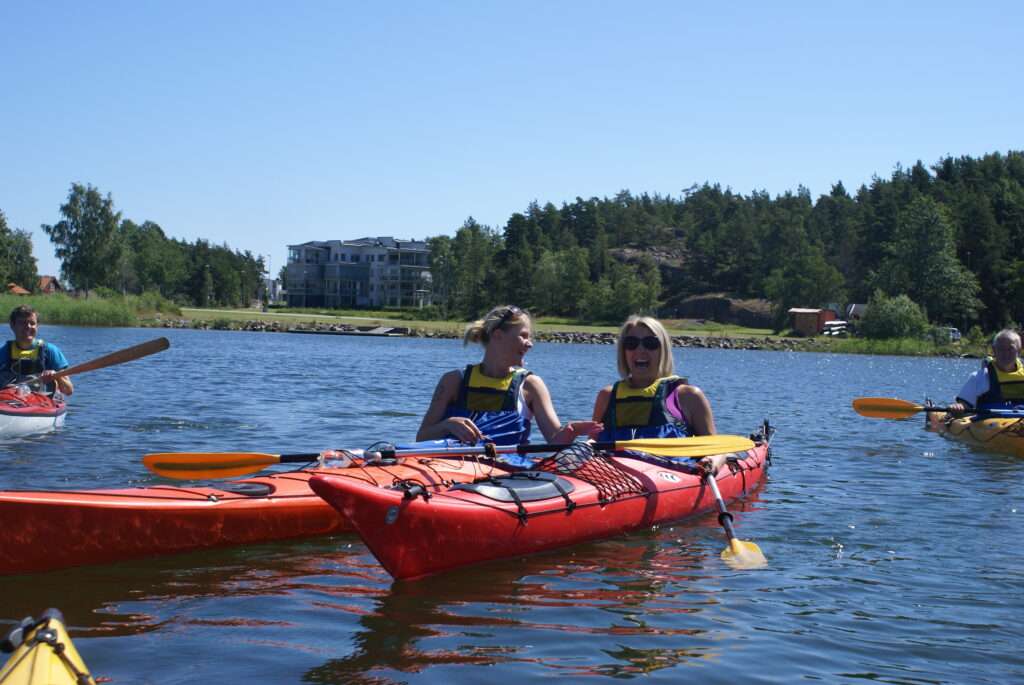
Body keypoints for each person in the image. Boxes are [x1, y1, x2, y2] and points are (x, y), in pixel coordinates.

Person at [417, 305, 599, 448]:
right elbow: (422, 437)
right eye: (523, 336)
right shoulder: (453, 381)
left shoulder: (531, 386)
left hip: (505, 479)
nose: (530, 344)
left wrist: (571, 431)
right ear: (498, 336)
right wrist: (447, 425)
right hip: (454, 472)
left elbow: (554, 442)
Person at [591, 315, 725, 472]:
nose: (640, 350)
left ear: (663, 350)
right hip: (614, 479)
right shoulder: (606, 396)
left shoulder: (688, 397)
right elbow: (592, 444)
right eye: (631, 344)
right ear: (623, 351)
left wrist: (711, 462)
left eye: (650, 344)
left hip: (671, 480)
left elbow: (715, 449)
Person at [0, 305, 74, 396]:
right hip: (9, 402)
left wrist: (57, 375)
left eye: (32, 323)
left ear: (37, 326)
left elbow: (68, 391)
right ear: (12, 325)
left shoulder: (50, 351)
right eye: (22, 323)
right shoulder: (3, 352)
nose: (28, 326)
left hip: (42, 404)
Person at [948, 329, 1023, 412]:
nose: (1005, 353)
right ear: (994, 350)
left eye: (1010, 349)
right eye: (1001, 349)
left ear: (1019, 351)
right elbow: (963, 404)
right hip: (989, 422)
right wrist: (959, 407)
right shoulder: (980, 377)